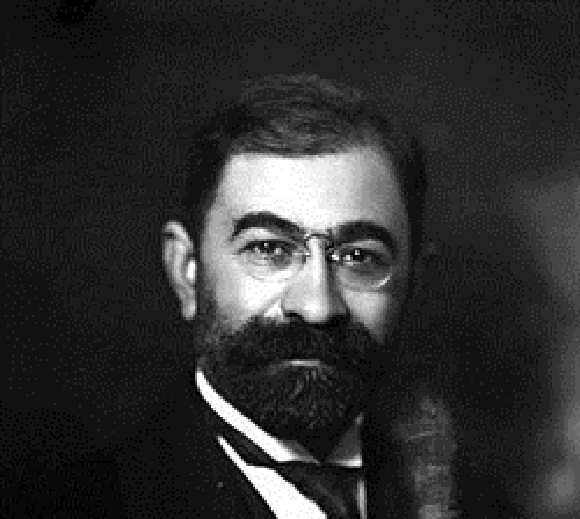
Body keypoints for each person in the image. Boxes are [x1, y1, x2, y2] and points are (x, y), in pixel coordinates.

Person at [111, 73, 456, 519]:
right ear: (186, 271)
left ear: (413, 281)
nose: (317, 307)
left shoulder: (470, 495)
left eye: (358, 257)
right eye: (269, 249)